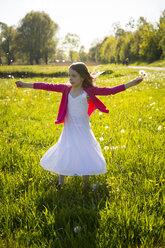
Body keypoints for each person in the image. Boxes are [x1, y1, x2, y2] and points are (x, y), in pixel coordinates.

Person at [15, 62, 143, 189]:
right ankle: (61, 183)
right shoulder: (66, 89)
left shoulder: (89, 91)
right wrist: (25, 84)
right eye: (69, 75)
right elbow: (45, 86)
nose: (70, 78)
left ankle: (85, 184)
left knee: (85, 151)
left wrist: (132, 83)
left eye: (74, 76)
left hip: (83, 129)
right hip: (69, 128)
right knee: (64, 150)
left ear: (82, 77)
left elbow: (111, 91)